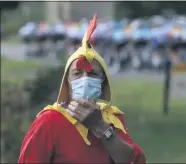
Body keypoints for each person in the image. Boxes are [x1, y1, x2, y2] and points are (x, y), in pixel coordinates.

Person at [18, 14, 146, 164]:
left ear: (103, 81)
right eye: (77, 73)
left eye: (93, 74)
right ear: (68, 82)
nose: (85, 80)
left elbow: (135, 161)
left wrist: (101, 127)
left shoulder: (112, 118)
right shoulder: (49, 121)